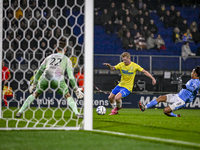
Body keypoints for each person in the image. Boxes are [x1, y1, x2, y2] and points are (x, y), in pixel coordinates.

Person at [16, 38, 84, 118]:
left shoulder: (49, 57)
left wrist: (34, 84)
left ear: (56, 49)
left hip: (46, 76)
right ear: (65, 49)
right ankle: (77, 113)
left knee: (35, 94)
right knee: (67, 95)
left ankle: (19, 112)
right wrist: (76, 89)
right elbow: (71, 77)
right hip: (57, 79)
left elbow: (39, 71)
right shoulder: (67, 59)